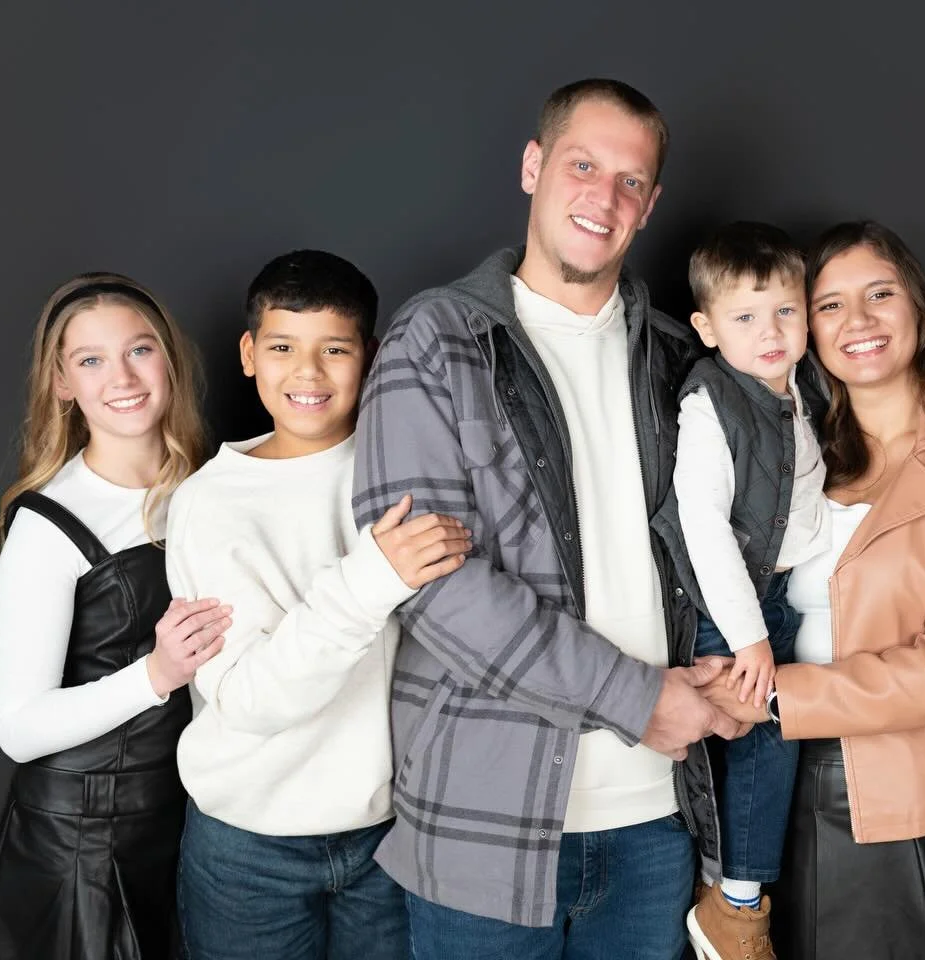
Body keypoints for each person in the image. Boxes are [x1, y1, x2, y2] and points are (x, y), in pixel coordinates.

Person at [351, 78, 740, 960]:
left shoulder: (682, 359)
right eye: (582, 165)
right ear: (534, 166)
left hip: (655, 826)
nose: (603, 198)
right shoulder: (438, 341)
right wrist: (637, 699)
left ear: (650, 205)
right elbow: (431, 590)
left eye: (630, 181)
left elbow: (722, 548)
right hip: (485, 828)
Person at [701, 221, 925, 960]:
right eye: (829, 306)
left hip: (917, 797)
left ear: (919, 308)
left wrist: (775, 695)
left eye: (879, 294)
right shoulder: (797, 457)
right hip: (776, 787)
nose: (857, 321)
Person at [167, 250, 471, 959]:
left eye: (333, 349)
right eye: (282, 348)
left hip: (387, 837)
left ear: (368, 355)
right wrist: (371, 578)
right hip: (247, 849)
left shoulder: (406, 470)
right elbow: (248, 699)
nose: (307, 373)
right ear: (249, 354)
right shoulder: (209, 504)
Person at [0, 273, 220, 959]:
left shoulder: (208, 485)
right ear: (62, 384)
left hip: (180, 821)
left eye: (139, 350)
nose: (122, 377)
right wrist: (156, 673)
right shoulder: (51, 522)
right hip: (80, 844)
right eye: (91, 360)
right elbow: (18, 729)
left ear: (168, 358)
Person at [649, 221, 829, 960]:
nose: (772, 332)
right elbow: (703, 524)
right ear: (707, 327)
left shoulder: (807, 387)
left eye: (786, 311)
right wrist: (749, 632)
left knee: (783, 735)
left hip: (791, 596)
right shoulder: (710, 401)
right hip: (735, 606)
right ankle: (736, 907)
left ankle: (736, 892)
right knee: (755, 740)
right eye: (746, 318)